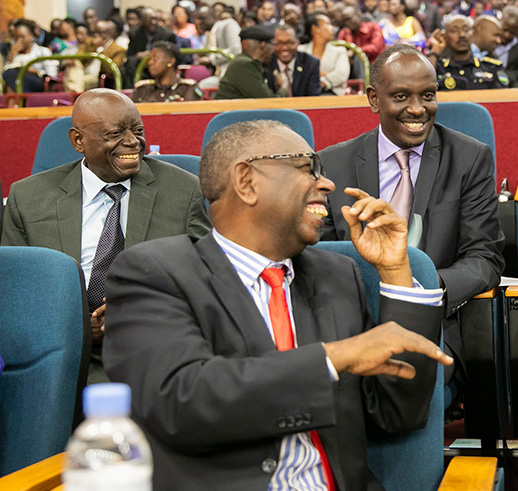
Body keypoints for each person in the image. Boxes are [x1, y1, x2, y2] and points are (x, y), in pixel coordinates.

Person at [102, 118, 452, 490]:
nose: (327, 184)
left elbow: (396, 414)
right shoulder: (156, 272)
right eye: (307, 168)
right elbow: (181, 402)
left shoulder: (337, 276)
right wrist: (331, 359)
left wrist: (396, 270)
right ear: (247, 181)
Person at [318, 44, 505, 386]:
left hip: (431, 323)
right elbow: (318, 258)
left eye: (428, 95)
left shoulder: (469, 158)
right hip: (350, 324)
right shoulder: (332, 164)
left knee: (395, 378)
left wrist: (419, 291)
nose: (417, 109)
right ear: (374, 98)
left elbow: (484, 258)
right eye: (401, 96)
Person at [1, 89, 211, 382]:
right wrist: (83, 328)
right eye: (115, 133)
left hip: (156, 352)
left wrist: (139, 313)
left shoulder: (184, 190)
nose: (132, 142)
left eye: (138, 130)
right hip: (61, 357)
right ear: (78, 141)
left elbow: (208, 276)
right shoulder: (29, 197)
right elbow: (16, 295)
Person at [429, 15, 510, 90]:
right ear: (445, 37)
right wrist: (435, 52)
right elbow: (423, 87)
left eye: (466, 30)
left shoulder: (491, 67)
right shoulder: (438, 68)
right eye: (454, 30)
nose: (461, 35)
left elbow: (503, 100)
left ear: (473, 34)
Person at [215, 25, 290, 99]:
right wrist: (284, 87)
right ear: (263, 45)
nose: (273, 49)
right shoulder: (245, 65)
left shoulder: (241, 62)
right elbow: (268, 102)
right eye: (272, 44)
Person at [64, 20, 127, 93]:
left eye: (100, 32)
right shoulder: (88, 42)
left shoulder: (118, 49)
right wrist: (94, 48)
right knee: (74, 64)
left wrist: (101, 50)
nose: (96, 35)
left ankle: (73, 95)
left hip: (98, 77)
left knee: (71, 82)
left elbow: (111, 69)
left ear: (110, 33)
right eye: (94, 32)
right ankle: (75, 93)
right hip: (82, 74)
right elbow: (78, 56)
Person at [132, 41, 202, 102]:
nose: (150, 62)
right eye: (149, 59)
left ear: (171, 61)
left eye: (155, 58)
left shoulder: (187, 88)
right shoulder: (143, 89)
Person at [123, 7, 175, 88]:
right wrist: (138, 56)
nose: (153, 22)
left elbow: (171, 55)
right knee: (125, 69)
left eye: (156, 19)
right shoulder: (134, 34)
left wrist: (150, 56)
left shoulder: (167, 34)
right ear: (142, 20)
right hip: (140, 66)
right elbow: (130, 56)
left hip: (159, 66)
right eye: (150, 19)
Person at [300, 12, 350, 95]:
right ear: (315, 29)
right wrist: (321, 74)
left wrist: (319, 81)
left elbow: (341, 74)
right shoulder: (301, 51)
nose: (332, 28)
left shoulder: (339, 51)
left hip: (332, 93)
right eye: (327, 24)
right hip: (304, 94)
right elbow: (296, 75)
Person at [268, 23, 322, 96]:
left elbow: (313, 96)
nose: (284, 48)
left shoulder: (310, 63)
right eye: (279, 43)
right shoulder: (266, 64)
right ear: (273, 44)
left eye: (290, 43)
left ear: (297, 43)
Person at [2, 21, 56, 93]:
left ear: (31, 36)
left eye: (22, 37)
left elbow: (52, 73)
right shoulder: (13, 53)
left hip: (37, 82)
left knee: (12, 75)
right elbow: (5, 72)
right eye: (16, 38)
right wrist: (12, 56)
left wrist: (34, 71)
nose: (19, 41)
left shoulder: (43, 51)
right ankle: (16, 102)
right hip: (16, 81)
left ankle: (14, 103)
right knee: (10, 75)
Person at [493, 6, 518, 86]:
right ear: (500, 21)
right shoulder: (489, 33)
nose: (507, 35)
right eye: (504, 30)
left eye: (512, 32)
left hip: (511, 83)